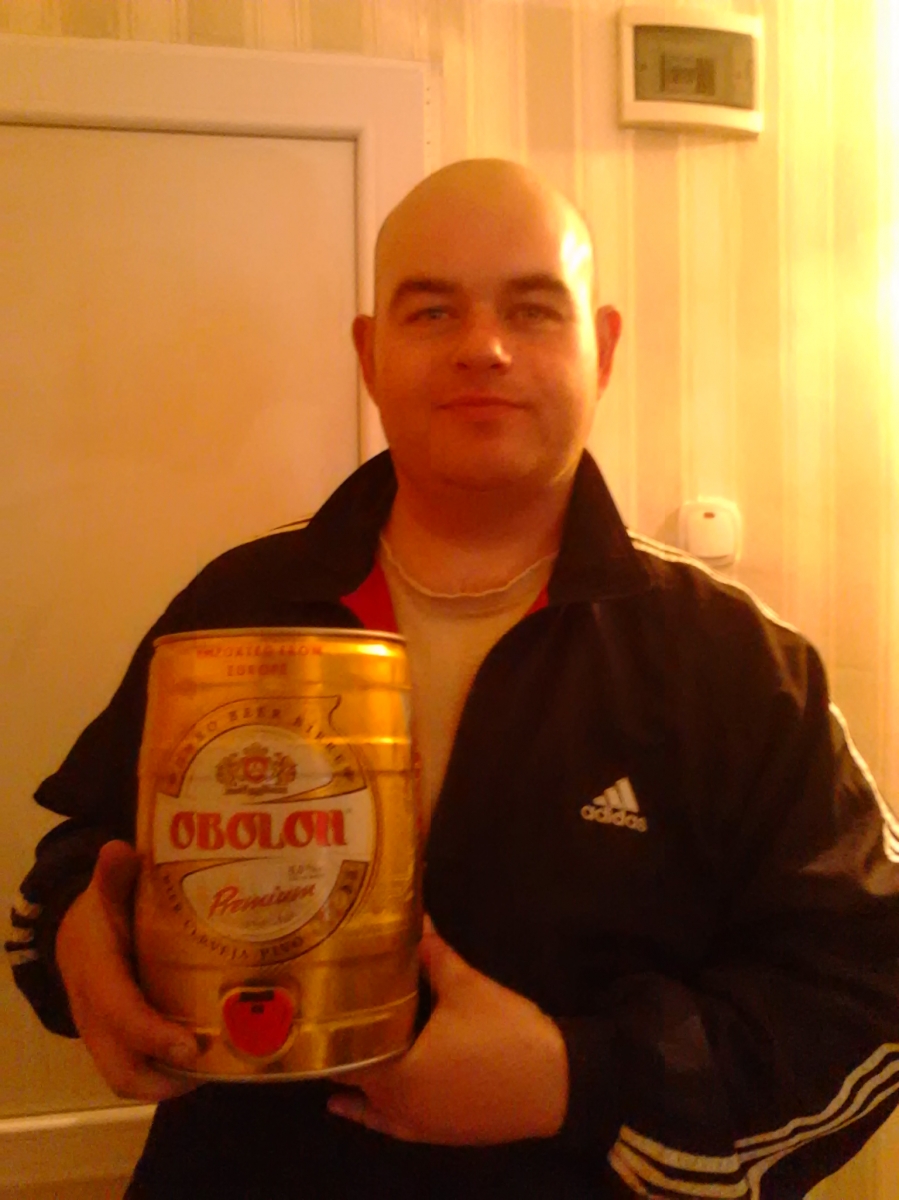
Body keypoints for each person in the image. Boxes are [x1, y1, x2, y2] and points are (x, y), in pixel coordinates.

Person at [8, 158, 899, 1199]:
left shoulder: (739, 664)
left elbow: (864, 996)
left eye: (532, 309)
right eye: (431, 311)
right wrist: (81, 937)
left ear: (602, 349)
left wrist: (574, 1079)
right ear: (369, 353)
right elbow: (73, 863)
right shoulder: (234, 605)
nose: (483, 346)